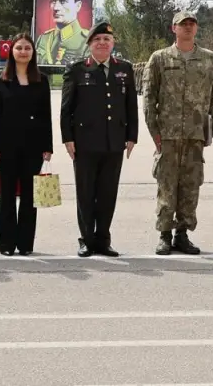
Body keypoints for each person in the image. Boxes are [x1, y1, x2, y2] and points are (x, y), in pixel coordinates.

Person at [143, 11, 213, 255]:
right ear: (172, 28)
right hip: (168, 135)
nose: (187, 27)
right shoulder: (160, 58)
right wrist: (155, 133)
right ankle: (164, 234)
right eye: (182, 24)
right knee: (166, 186)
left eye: (191, 24)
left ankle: (182, 234)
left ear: (196, 28)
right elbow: (149, 98)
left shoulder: (208, 59)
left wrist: (209, 131)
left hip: (195, 135)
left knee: (191, 186)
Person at [61, 21, 138, 257]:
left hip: (114, 141)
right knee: (86, 193)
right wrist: (68, 139)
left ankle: (103, 239)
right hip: (84, 142)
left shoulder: (124, 69)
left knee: (107, 193)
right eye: (98, 40)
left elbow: (131, 105)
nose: (102, 43)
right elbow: (66, 109)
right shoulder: (77, 70)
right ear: (90, 44)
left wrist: (131, 136)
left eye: (106, 40)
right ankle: (86, 239)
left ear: (112, 44)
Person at [0, 33, 53, 256]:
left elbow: (46, 115)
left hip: (33, 146)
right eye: (19, 48)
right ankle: (6, 244)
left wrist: (48, 146)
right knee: (6, 195)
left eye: (27, 48)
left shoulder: (41, 80)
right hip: (6, 146)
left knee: (29, 197)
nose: (23, 52)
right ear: (11, 52)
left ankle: (25, 244)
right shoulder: (1, 79)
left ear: (33, 52)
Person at [36, 0, 90, 66]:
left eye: (63, 1)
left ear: (78, 6)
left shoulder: (88, 41)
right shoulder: (43, 39)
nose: (56, 7)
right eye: (53, 1)